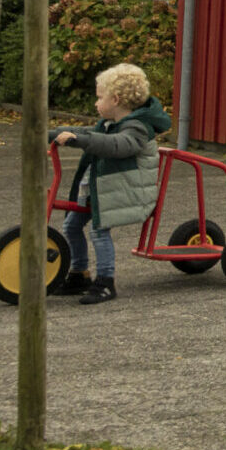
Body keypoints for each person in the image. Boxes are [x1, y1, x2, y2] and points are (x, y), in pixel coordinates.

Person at [52, 63, 172, 306]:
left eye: (99, 97)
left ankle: (106, 282)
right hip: (103, 189)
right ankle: (79, 273)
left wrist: (79, 140)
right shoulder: (109, 124)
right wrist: (52, 133)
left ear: (115, 99)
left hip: (126, 190)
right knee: (71, 226)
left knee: (98, 230)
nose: (96, 103)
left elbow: (117, 145)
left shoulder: (137, 128)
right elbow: (85, 132)